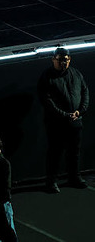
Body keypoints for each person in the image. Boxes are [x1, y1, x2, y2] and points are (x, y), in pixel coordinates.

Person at [38, 47, 89, 193]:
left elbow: (85, 92)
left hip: (75, 122)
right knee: (55, 152)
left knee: (74, 152)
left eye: (65, 60)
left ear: (69, 60)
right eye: (60, 60)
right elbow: (47, 101)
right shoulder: (47, 77)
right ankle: (51, 181)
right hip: (56, 124)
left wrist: (80, 111)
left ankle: (74, 177)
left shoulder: (76, 74)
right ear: (53, 59)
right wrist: (64, 114)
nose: (63, 63)